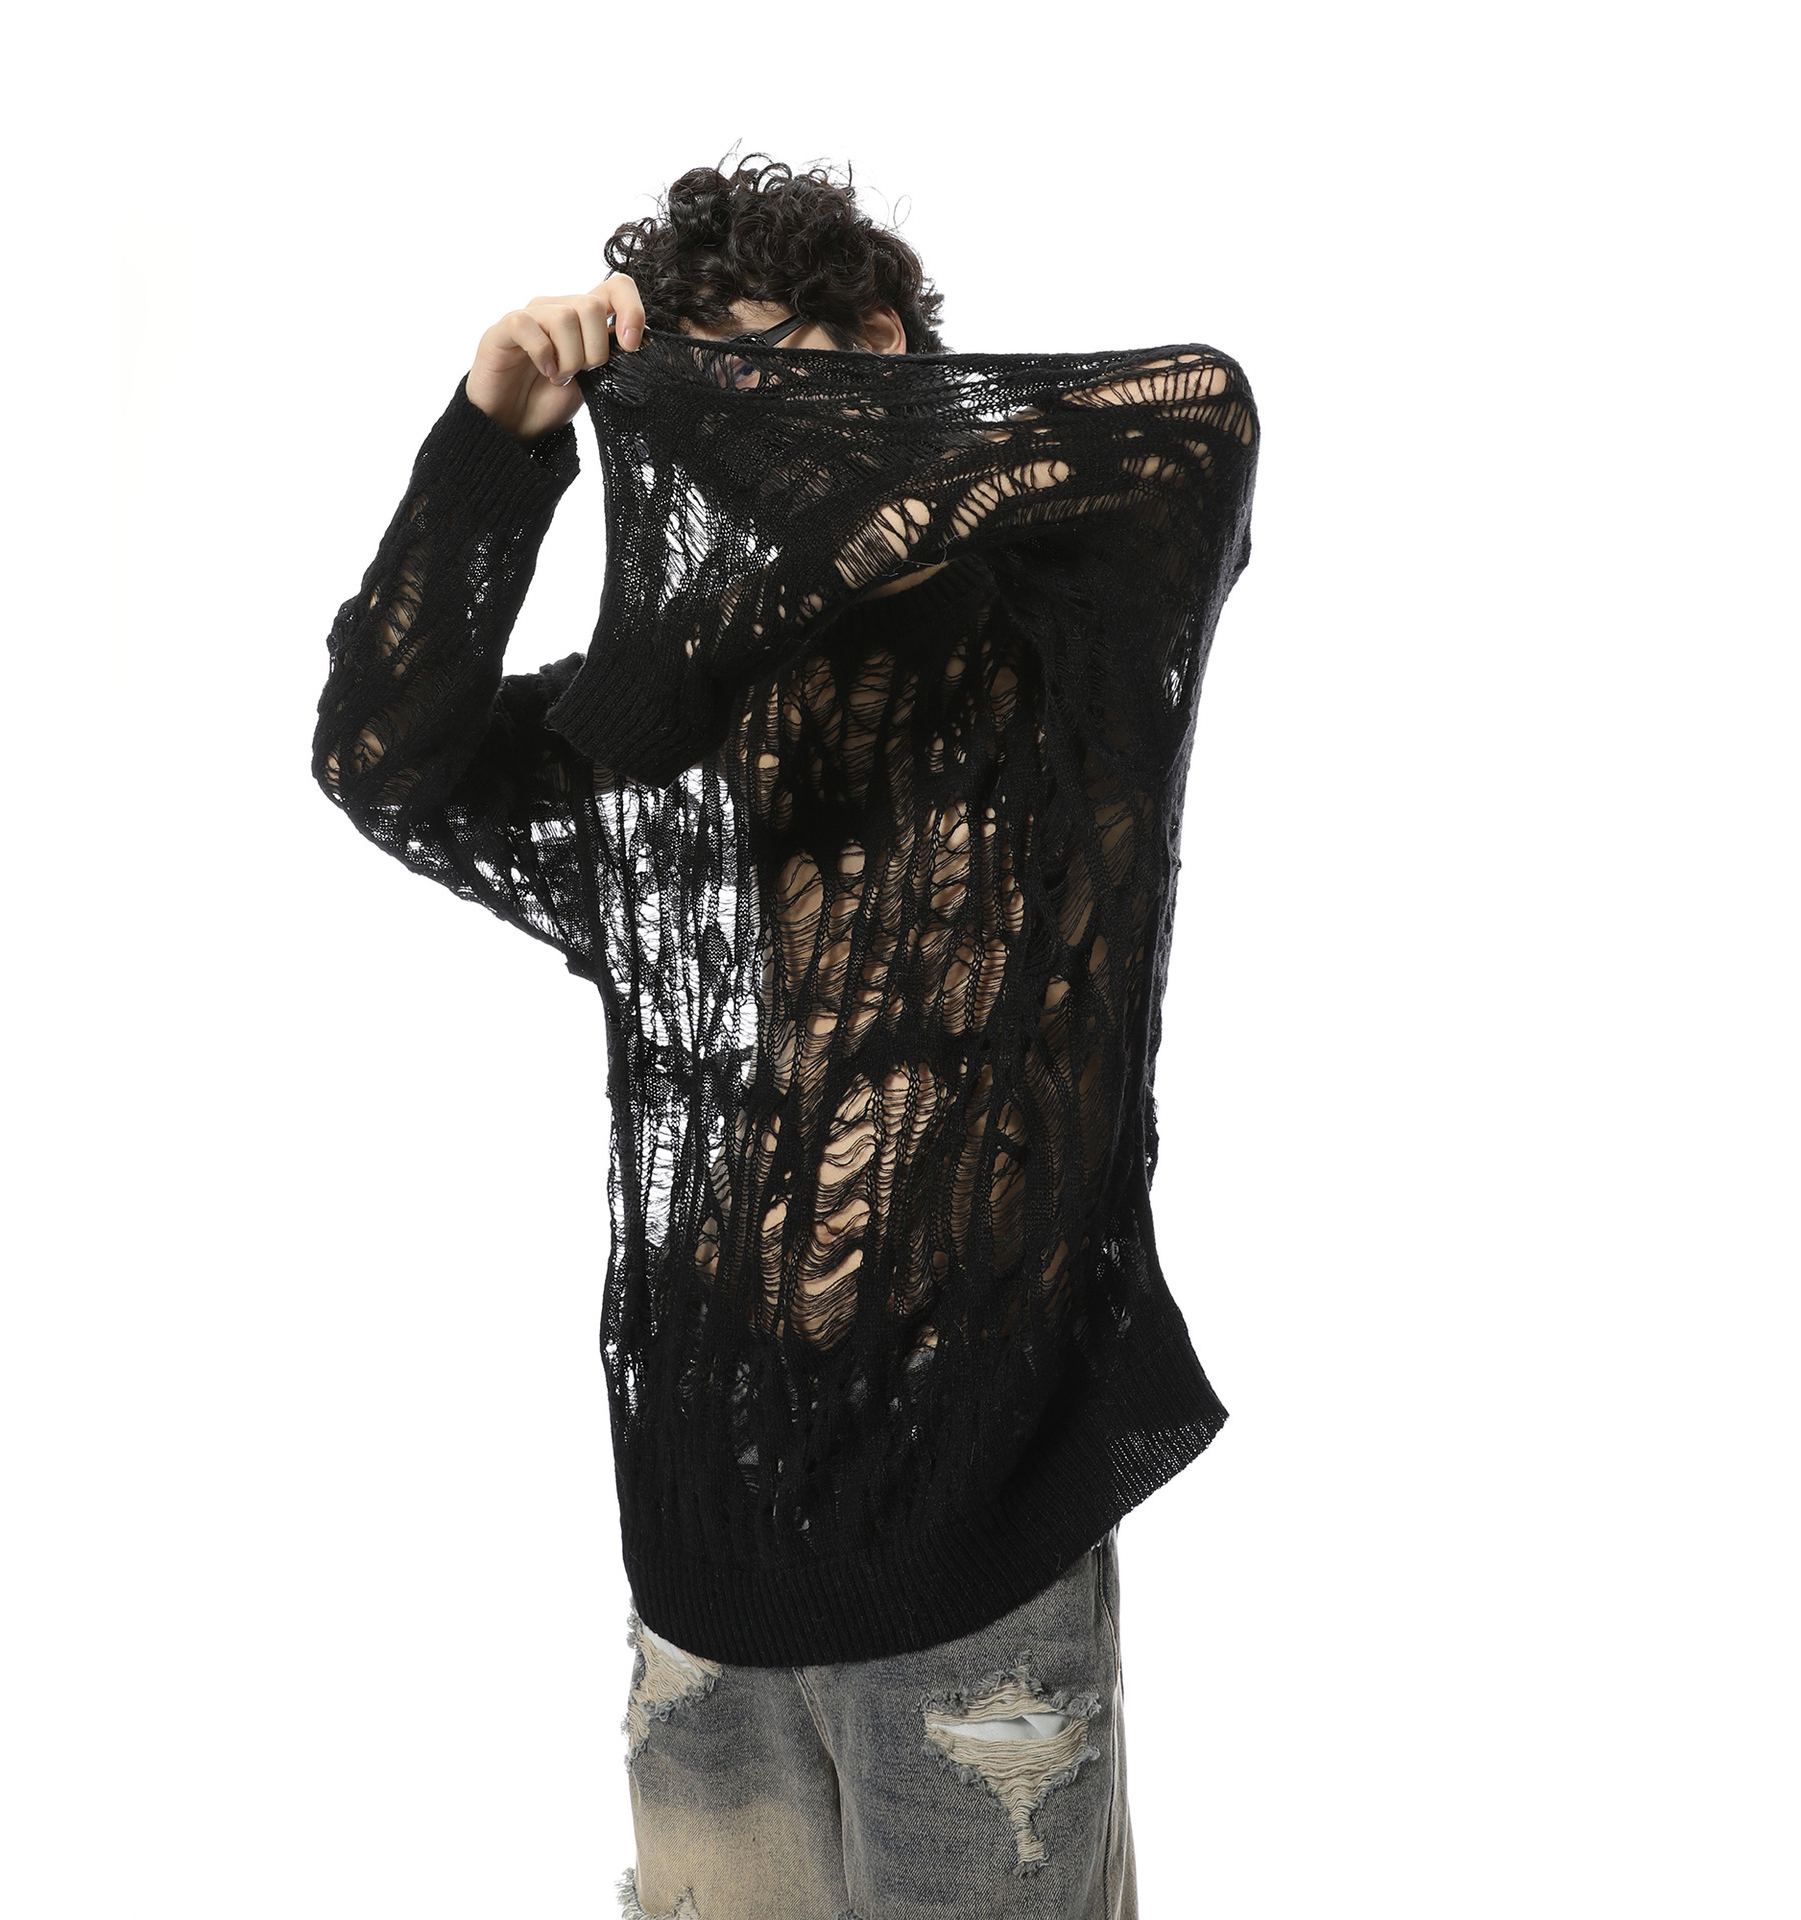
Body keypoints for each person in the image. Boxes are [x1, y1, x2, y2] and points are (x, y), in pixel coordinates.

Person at [311, 156, 1257, 1920]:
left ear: (879, 347)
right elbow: (383, 759)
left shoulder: (1071, 631)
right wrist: (495, 439)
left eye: (758, 382)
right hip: (705, 1570)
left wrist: (700, 627)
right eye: (690, 405)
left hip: (978, 1565)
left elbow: (1196, 409)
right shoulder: (683, 739)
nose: (725, 446)